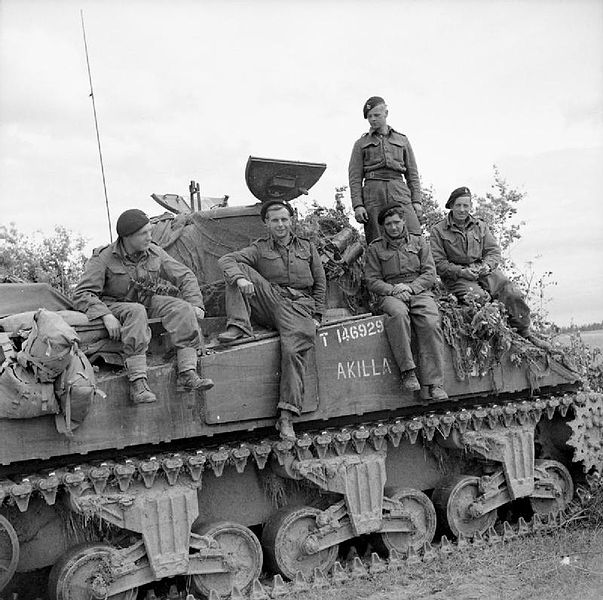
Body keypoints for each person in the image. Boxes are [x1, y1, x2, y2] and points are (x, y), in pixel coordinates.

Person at [73, 208, 213, 404]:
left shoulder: (153, 251)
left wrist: (195, 304)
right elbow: (82, 293)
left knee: (181, 308)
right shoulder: (103, 258)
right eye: (143, 233)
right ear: (127, 237)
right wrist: (105, 315)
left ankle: (187, 372)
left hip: (145, 300)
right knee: (136, 311)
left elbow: (185, 276)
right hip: (114, 305)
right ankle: (138, 382)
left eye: (150, 231)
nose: (150, 236)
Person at [217, 200, 326, 440]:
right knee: (236, 269)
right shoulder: (258, 248)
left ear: (291, 220)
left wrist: (317, 315)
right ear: (266, 223)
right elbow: (226, 260)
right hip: (271, 299)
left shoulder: (307, 248)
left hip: (299, 306)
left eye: (284, 219)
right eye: (275, 220)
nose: (280, 224)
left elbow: (319, 283)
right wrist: (240, 279)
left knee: (292, 350)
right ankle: (238, 325)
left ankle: (286, 417)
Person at [430, 186, 543, 344]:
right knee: (480, 300)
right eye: (458, 205)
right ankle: (499, 334)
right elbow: (438, 263)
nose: (462, 210)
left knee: (512, 293)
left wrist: (487, 266)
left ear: (470, 207)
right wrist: (462, 272)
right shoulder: (438, 230)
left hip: (483, 270)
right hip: (457, 276)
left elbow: (493, 251)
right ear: (451, 206)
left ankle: (524, 332)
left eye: (466, 205)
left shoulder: (480, 226)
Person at [364, 205, 448, 402]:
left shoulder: (419, 242)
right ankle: (408, 371)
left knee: (430, 321)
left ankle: (434, 384)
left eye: (396, 222)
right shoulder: (375, 248)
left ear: (404, 222)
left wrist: (410, 288)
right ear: (383, 227)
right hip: (390, 293)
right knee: (399, 315)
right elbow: (371, 279)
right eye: (388, 224)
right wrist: (393, 290)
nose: (393, 227)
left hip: (418, 291)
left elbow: (429, 273)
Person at [349, 96, 424, 244]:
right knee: (377, 238)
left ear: (386, 113)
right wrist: (358, 205)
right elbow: (355, 177)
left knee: (413, 235)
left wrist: (417, 201)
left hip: (399, 190)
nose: (373, 119)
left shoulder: (402, 140)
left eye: (376, 115)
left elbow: (412, 173)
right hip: (373, 192)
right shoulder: (361, 143)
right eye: (369, 116)